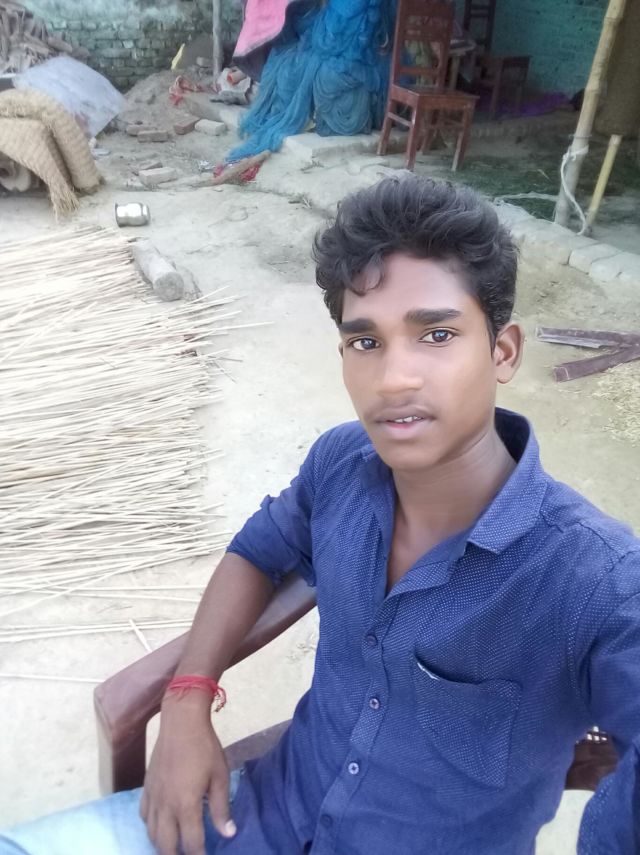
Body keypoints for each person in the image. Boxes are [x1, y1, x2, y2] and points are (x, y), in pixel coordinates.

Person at [2, 175, 639, 855]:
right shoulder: (341, 464)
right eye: (366, 342)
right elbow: (256, 551)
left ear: (502, 351)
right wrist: (187, 697)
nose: (393, 377)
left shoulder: (596, 582)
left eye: (436, 334)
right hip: (258, 817)